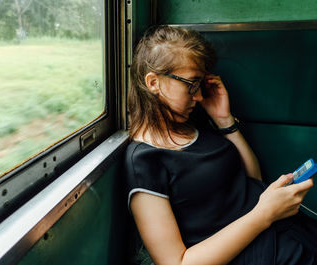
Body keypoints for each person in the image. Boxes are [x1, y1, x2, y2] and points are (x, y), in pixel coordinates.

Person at [124, 25, 317, 265]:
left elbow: (251, 181)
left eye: (200, 85)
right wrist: (264, 214)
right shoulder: (144, 162)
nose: (199, 97)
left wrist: (224, 121)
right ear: (154, 82)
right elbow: (176, 262)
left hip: (284, 231)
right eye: (191, 84)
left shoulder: (193, 126)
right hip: (256, 254)